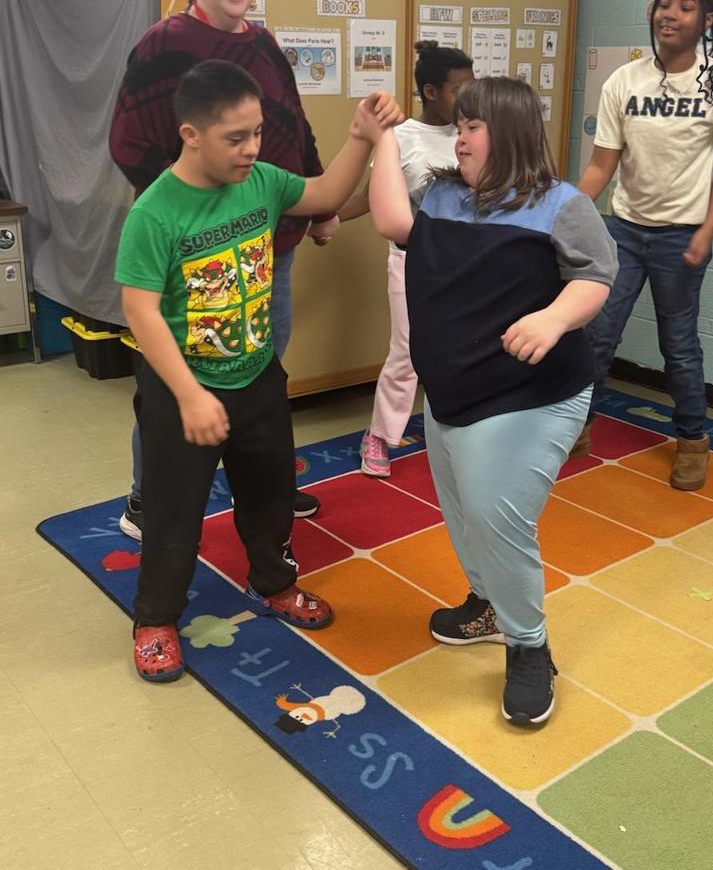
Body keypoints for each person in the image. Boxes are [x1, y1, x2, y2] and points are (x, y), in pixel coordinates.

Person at [115, 60, 400, 682]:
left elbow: (323, 195)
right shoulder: (155, 213)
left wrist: (359, 136)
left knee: (270, 496)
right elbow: (140, 310)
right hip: (181, 389)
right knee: (174, 513)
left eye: (257, 133)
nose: (251, 149)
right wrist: (189, 395)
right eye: (235, 138)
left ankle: (274, 584)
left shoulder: (263, 181)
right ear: (191, 134)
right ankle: (156, 618)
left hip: (258, 375)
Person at [367, 76, 618, 726]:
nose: (461, 138)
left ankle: (530, 648)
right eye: (460, 125)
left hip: (529, 394)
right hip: (452, 390)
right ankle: (486, 604)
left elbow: (596, 274)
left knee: (494, 513)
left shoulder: (560, 204)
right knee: (460, 506)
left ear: (506, 133)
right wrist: (379, 140)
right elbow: (393, 221)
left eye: (472, 127)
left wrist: (555, 319)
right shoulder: (444, 194)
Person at [109, 0, 335, 538]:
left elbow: (292, 125)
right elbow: (129, 143)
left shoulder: (262, 44)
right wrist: (194, 211)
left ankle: (261, 490)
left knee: (256, 374)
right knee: (176, 381)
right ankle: (146, 500)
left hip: (269, 246)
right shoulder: (163, 43)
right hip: (196, 259)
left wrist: (320, 205)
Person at [576, 0, 713, 490]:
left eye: (686, 7)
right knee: (598, 334)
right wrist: (560, 209)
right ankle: (575, 427)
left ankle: (693, 442)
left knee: (678, 347)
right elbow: (601, 166)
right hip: (624, 230)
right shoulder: (624, 82)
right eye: (664, 4)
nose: (670, 14)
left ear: (707, 20)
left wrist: (706, 230)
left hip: (682, 236)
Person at [339, 41, 474, 477]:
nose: (467, 98)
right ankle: (379, 434)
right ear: (431, 91)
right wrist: (323, 218)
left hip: (466, 261)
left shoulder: (471, 134)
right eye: (459, 89)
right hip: (412, 261)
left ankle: (460, 429)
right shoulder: (401, 137)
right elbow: (370, 198)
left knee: (463, 348)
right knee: (408, 353)